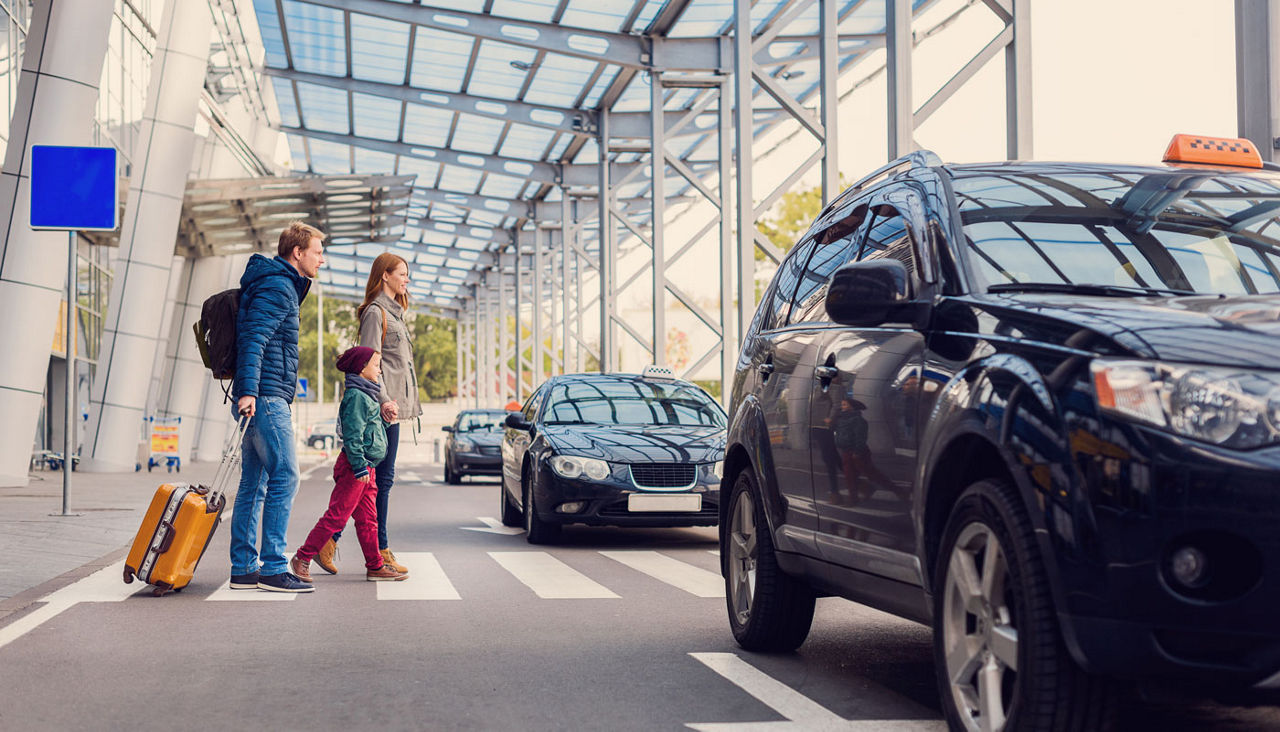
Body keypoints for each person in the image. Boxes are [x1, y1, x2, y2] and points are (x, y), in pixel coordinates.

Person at [228, 221, 325, 593]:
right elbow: (254, 338)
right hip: (266, 396)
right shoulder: (279, 286)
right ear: (297, 253)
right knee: (286, 476)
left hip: (261, 393)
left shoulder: (273, 283)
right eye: (317, 252)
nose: (321, 259)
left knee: (255, 482)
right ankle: (272, 567)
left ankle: (243, 567)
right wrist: (249, 391)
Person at [316, 253, 420, 576]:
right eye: (401, 274)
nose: (406, 279)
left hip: (391, 409)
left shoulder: (397, 314)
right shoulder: (377, 313)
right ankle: (376, 551)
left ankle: (339, 543)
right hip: (380, 409)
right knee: (372, 482)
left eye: (407, 274)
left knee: (374, 483)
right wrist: (386, 401)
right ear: (384, 276)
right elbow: (370, 363)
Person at [290, 347, 408, 583]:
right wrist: (359, 467)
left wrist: (385, 421)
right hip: (357, 468)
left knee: (368, 520)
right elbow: (353, 437)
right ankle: (302, 557)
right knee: (336, 516)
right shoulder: (356, 396)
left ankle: (375, 565)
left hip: (368, 468)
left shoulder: (368, 394)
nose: (379, 369)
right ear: (361, 368)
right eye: (376, 365)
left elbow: (369, 432)